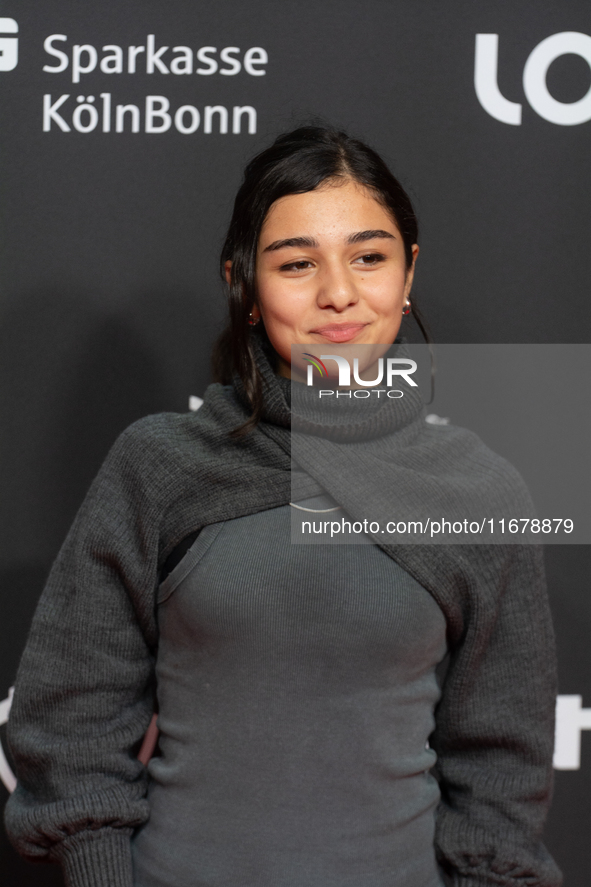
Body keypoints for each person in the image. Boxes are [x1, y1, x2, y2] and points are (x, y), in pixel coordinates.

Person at [4, 126, 561, 887]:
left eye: (369, 256)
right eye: (296, 264)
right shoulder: (163, 464)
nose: (338, 292)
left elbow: (501, 773)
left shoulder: (480, 492)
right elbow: (69, 720)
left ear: (407, 275)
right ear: (245, 286)